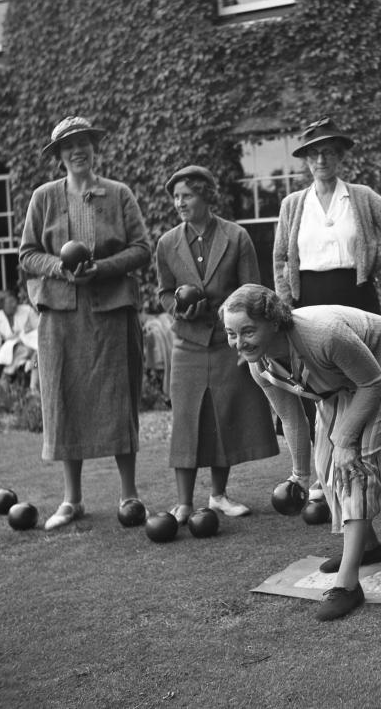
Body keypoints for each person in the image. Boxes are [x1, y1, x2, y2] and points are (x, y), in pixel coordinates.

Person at [222, 284, 381, 621]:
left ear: (272, 321)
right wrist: (299, 476)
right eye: (231, 334)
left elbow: (371, 382)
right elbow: (290, 416)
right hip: (342, 381)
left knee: (355, 463)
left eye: (247, 331)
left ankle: (348, 585)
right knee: (324, 463)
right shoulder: (260, 364)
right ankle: (368, 547)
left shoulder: (322, 335)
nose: (239, 343)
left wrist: (345, 441)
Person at [19, 116, 151, 530]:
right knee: (65, 400)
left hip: (112, 313)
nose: (78, 151)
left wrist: (104, 268)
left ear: (95, 148)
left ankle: (129, 495)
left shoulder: (118, 194)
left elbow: (142, 249)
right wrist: (60, 267)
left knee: (119, 399)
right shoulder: (43, 198)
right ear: (58, 156)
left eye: (85, 143)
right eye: (69, 146)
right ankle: (71, 500)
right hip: (61, 317)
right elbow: (27, 256)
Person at [273, 116, 381, 498]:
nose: (321, 160)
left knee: (368, 382)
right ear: (306, 161)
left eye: (328, 152)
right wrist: (284, 307)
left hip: (356, 297)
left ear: (340, 156)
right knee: (320, 391)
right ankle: (323, 477)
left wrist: (372, 260)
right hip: (309, 303)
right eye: (314, 154)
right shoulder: (293, 204)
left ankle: (377, 471)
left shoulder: (361, 196)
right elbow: (282, 258)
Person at [156, 165, 278, 523]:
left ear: (206, 196)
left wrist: (234, 322)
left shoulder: (236, 237)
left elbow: (251, 291)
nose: (179, 203)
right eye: (176, 197)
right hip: (188, 342)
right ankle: (183, 504)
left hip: (228, 341)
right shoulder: (167, 243)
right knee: (186, 420)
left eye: (187, 195)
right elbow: (163, 292)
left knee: (223, 414)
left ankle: (218, 496)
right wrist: (179, 310)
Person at [0, 289, 39, 389]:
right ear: (1, 305)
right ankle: (9, 376)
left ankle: (30, 384)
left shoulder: (26, 310)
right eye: (10, 302)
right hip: (12, 353)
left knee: (36, 361)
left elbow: (40, 329)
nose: (14, 304)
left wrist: (28, 332)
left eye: (14, 301)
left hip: (33, 348)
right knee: (15, 350)